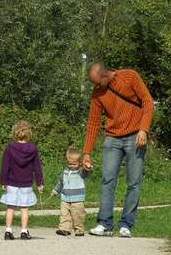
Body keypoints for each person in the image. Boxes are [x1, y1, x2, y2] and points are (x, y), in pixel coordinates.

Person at [82, 62, 154, 238]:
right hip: (112, 139)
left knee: (134, 182)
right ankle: (104, 223)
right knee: (107, 180)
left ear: (105, 75)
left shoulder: (130, 76)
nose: (96, 87)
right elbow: (93, 123)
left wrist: (144, 129)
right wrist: (86, 153)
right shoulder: (97, 93)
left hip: (135, 137)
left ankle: (126, 224)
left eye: (97, 82)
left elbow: (147, 101)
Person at [0, 120, 44, 240]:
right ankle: (24, 232)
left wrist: (3, 181)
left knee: (11, 207)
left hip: (12, 182)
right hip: (26, 183)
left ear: (15, 133)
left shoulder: (10, 148)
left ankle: (8, 231)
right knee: (24, 208)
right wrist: (39, 183)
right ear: (28, 133)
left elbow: (5, 165)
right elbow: (37, 167)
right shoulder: (33, 148)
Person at [51, 147, 88, 237]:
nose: (71, 166)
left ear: (79, 163)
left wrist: (87, 167)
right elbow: (60, 183)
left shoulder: (80, 172)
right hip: (65, 198)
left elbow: (86, 173)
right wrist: (55, 191)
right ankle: (64, 229)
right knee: (64, 214)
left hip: (78, 199)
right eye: (69, 164)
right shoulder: (65, 172)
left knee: (78, 215)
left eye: (74, 164)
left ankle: (79, 229)